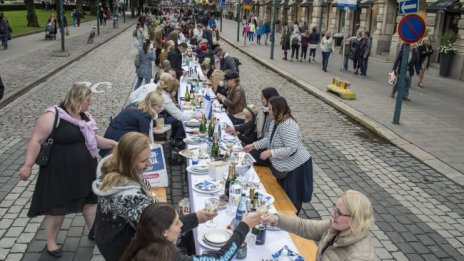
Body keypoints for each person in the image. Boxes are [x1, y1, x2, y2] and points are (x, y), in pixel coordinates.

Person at [19, 83, 117, 258]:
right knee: (57, 208)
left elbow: (93, 139)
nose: (90, 103)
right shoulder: (53, 115)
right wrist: (27, 165)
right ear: (77, 99)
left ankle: (95, 233)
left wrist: (114, 144)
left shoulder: (84, 116)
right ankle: (51, 243)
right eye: (88, 99)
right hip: (59, 171)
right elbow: (36, 140)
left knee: (90, 203)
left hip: (85, 170)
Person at [93, 133, 217, 261]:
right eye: (143, 161)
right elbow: (161, 228)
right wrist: (197, 218)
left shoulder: (117, 167)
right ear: (128, 161)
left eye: (149, 157)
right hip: (120, 249)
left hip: (108, 236)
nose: (150, 163)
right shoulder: (129, 197)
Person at [244, 96, 313, 214]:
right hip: (287, 164)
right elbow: (269, 139)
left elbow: (292, 148)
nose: (268, 111)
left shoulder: (288, 125)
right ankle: (284, 214)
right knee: (284, 192)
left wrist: (271, 152)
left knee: (293, 195)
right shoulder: (276, 121)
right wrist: (254, 145)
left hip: (297, 165)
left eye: (270, 109)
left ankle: (292, 217)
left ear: (278, 110)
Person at [120, 204, 261, 261]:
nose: (181, 224)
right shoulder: (169, 258)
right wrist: (244, 226)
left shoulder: (142, 241)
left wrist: (197, 218)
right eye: (177, 222)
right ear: (163, 232)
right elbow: (220, 259)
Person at [262, 190, 377, 260]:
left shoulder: (360, 257)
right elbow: (304, 227)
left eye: (339, 213)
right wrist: (276, 218)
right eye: (334, 208)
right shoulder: (337, 227)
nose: (333, 214)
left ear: (355, 220)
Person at [100, 91, 164, 157]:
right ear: (151, 105)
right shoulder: (144, 117)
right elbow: (145, 139)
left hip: (113, 133)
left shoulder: (138, 104)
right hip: (118, 139)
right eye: (159, 106)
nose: (161, 109)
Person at [158, 73, 195, 139]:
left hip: (161, 117)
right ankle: (175, 140)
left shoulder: (159, 86)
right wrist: (193, 115)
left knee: (179, 121)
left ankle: (173, 138)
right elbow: (179, 116)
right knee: (180, 120)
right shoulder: (165, 98)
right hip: (159, 120)